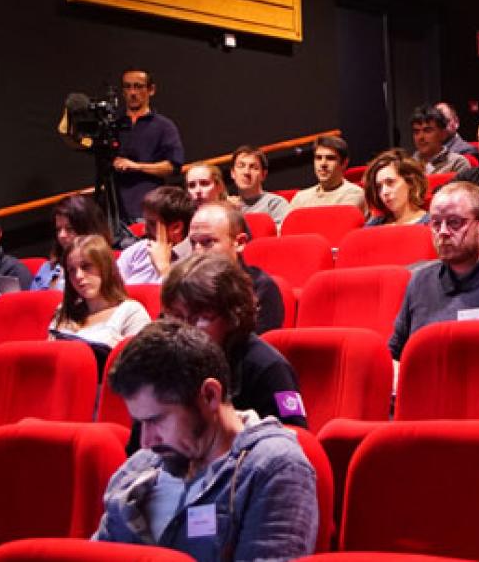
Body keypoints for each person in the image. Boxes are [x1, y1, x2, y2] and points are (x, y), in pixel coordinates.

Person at [92, 319, 317, 559]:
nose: (146, 441)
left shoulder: (273, 467)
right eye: (140, 423)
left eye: (157, 420)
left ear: (209, 396)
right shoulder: (137, 468)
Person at [389, 182, 479, 359]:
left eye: (454, 222)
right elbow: (395, 354)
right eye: (436, 223)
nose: (443, 232)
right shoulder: (420, 281)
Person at [159, 253, 307, 428]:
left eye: (201, 317)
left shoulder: (268, 368)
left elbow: (293, 440)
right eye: (176, 316)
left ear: (233, 317)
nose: (185, 328)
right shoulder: (165, 362)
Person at [184, 203, 288, 334]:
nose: (197, 252)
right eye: (193, 243)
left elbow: (256, 349)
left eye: (208, 242)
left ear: (240, 243)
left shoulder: (260, 288)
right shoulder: (185, 285)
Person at [110, 69, 185, 224]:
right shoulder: (113, 126)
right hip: (114, 212)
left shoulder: (164, 126)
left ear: (151, 90)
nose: (132, 92)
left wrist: (136, 166)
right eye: (128, 87)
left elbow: (173, 166)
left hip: (146, 210)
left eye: (138, 87)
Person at [51, 235, 152, 348]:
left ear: (105, 267)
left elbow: (141, 361)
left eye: (86, 266)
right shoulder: (64, 311)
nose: (78, 276)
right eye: (72, 270)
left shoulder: (131, 312)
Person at [31, 193, 112, 291]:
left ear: (88, 229)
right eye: (58, 229)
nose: (61, 235)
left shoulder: (107, 266)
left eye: (69, 229)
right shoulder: (47, 269)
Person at [118, 187, 197, 285]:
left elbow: (184, 298)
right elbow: (112, 291)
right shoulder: (137, 251)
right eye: (145, 222)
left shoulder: (195, 260)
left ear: (176, 227)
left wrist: (164, 267)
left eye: (152, 224)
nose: (144, 230)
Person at [289, 135, 365, 211]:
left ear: (344, 163)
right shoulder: (301, 198)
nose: (323, 164)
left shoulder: (354, 194)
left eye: (330, 158)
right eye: (318, 158)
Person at [363, 150, 431, 226]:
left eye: (390, 182)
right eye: (379, 187)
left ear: (410, 182)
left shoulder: (431, 224)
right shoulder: (374, 224)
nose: (384, 192)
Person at [230, 146, 291, 226]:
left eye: (254, 168)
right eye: (241, 166)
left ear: (263, 175)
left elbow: (282, 236)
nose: (246, 172)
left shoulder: (275, 204)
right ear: (232, 173)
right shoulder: (228, 207)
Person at [411, 105, 473, 175]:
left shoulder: (457, 163)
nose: (420, 137)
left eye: (427, 131)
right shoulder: (407, 165)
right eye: (416, 132)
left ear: (443, 134)